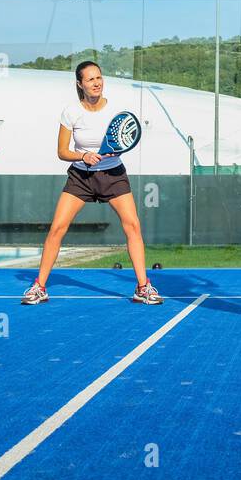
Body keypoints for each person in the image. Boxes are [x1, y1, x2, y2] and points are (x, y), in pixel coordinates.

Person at [21, 60, 162, 306]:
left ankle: (143, 287)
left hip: (113, 175)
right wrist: (83, 155)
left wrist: (110, 153)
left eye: (99, 78)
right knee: (57, 229)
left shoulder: (116, 110)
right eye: (90, 79)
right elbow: (62, 151)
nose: (97, 83)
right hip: (81, 177)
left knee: (133, 226)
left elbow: (123, 139)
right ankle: (39, 287)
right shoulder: (71, 112)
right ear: (80, 84)